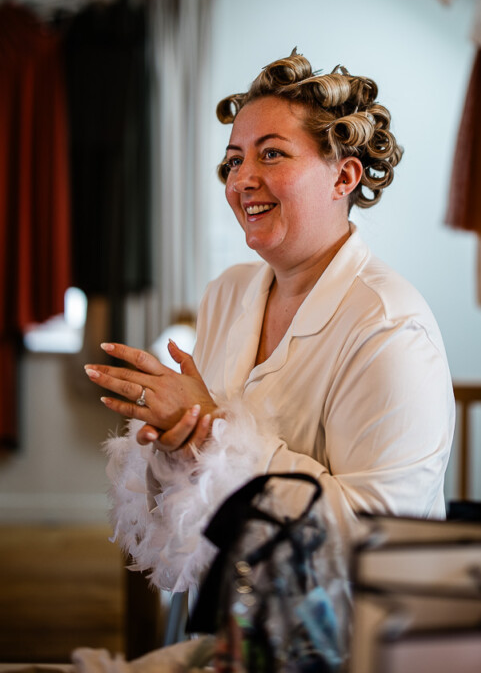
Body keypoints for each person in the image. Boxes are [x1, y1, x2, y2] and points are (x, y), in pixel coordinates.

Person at [85, 49, 455, 654]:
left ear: (344, 177)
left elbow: (381, 540)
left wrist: (212, 433)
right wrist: (174, 436)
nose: (241, 180)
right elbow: (195, 493)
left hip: (348, 644)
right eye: (233, 160)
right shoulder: (228, 292)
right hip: (227, 620)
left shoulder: (390, 327)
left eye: (271, 154)